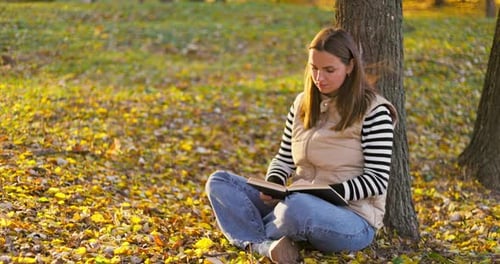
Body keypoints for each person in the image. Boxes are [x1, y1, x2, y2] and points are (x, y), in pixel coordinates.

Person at [205, 27, 397, 263]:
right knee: (220, 182)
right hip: (294, 201)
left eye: (329, 70)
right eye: (314, 69)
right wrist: (274, 183)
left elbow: (377, 180)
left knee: (298, 207)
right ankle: (268, 245)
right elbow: (285, 157)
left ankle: (253, 238)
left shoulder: (374, 111)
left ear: (350, 67)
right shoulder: (302, 104)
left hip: (352, 219)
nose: (319, 78)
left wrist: (329, 194)